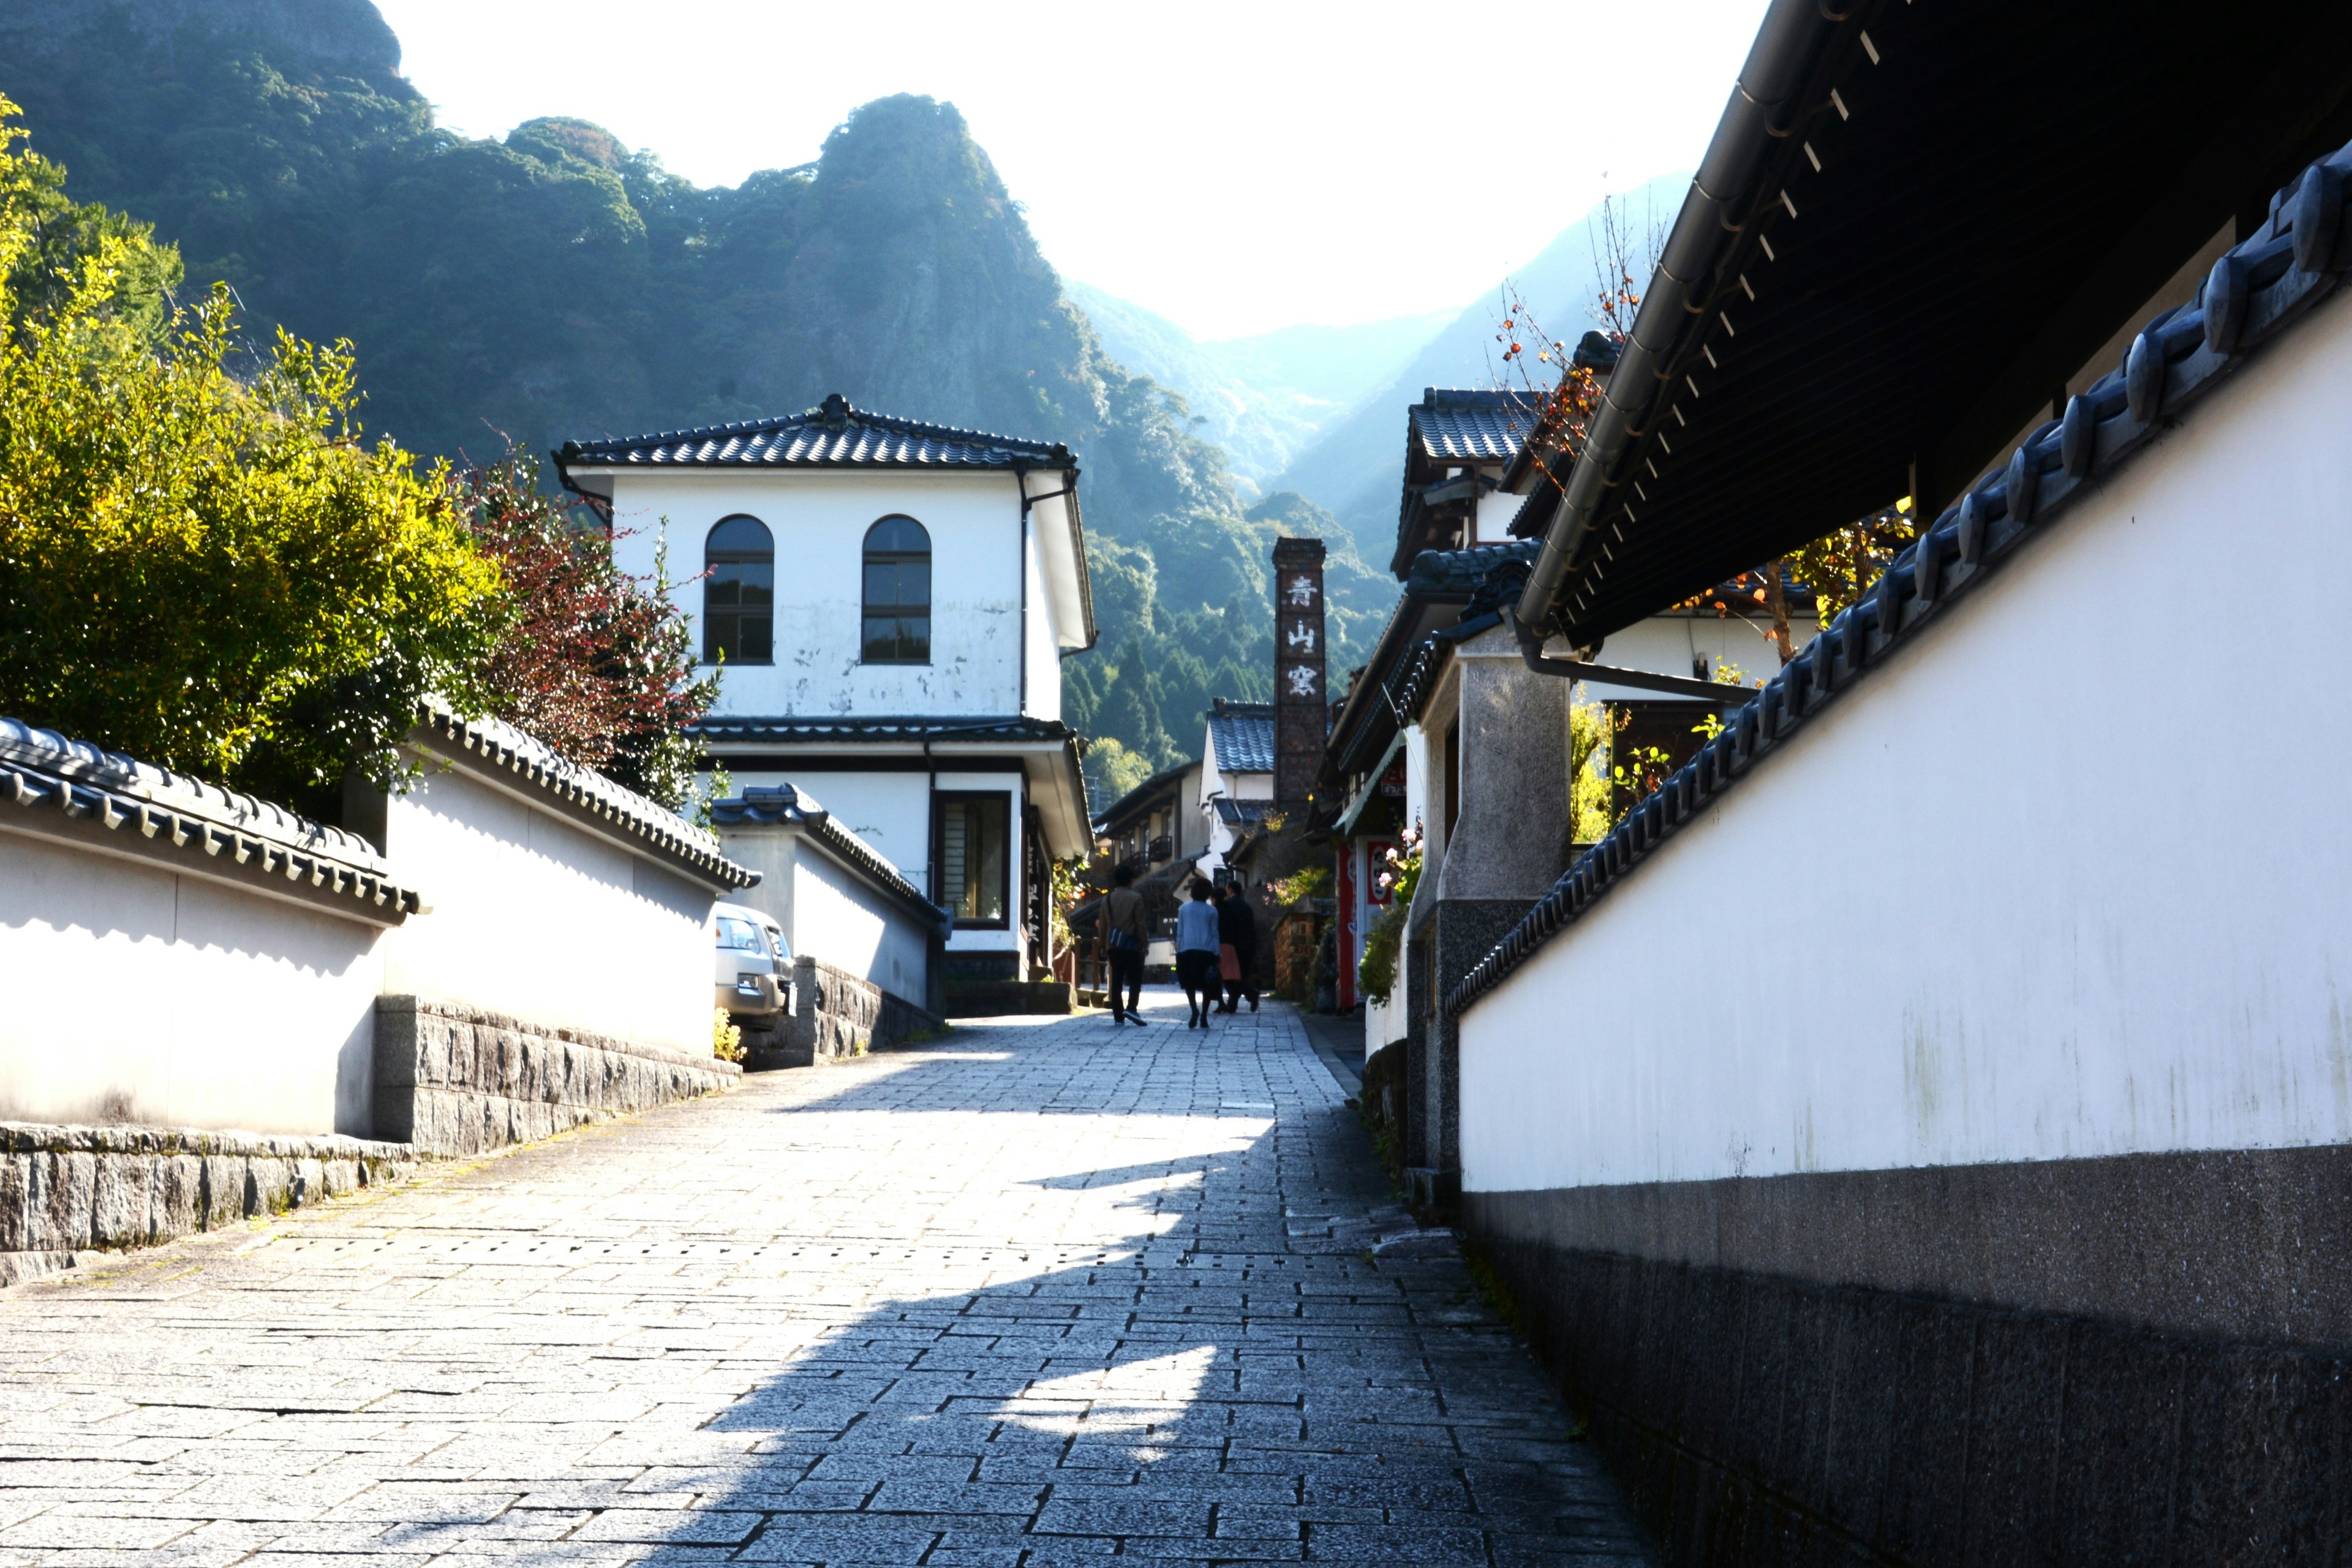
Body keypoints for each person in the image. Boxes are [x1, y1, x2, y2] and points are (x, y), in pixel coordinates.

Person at [1102, 864, 1149, 1027]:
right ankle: (1131, 1008)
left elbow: (1103, 926)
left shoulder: (1106, 899)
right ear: (1130, 880)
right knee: (1135, 978)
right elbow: (1140, 924)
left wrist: (1103, 945)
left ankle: (1118, 1015)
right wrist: (1145, 943)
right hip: (1132, 946)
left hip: (1113, 946)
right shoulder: (1136, 898)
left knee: (1117, 980)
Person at [1174, 879, 1222, 1029]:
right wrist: (1217, 952)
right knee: (1206, 984)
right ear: (1208, 893)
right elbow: (1215, 933)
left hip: (1187, 950)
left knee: (1189, 983)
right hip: (1207, 951)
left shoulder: (1183, 909)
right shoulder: (1212, 911)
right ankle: (1204, 1016)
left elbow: (1180, 933)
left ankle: (1194, 1009)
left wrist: (1179, 950)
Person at [1215, 881, 1259, 1014]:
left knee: (1230, 975)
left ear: (1231, 890)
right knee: (1238, 975)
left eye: (1227, 888)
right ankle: (1233, 1004)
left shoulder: (1229, 906)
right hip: (1248, 944)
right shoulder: (1246, 906)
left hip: (1233, 944)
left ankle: (1250, 994)